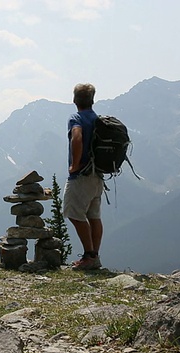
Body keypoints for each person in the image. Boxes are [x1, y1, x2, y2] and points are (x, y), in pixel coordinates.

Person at [63, 83, 104, 270]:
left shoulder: (76, 118)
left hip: (81, 176)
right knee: (94, 216)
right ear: (92, 100)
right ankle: (95, 256)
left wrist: (75, 165)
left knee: (74, 213)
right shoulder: (97, 119)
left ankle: (89, 255)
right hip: (98, 175)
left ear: (74, 100)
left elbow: (77, 137)